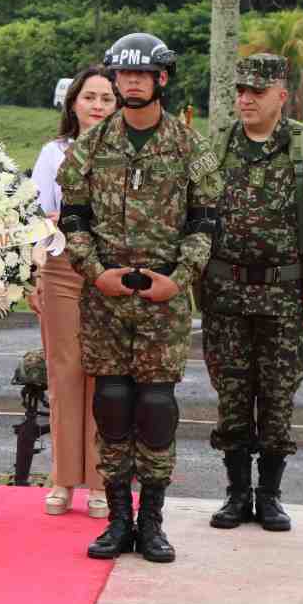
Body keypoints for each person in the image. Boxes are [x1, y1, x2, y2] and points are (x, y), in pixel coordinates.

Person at [56, 32, 222, 564]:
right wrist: (94, 270)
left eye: (141, 74)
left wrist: (181, 276)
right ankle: (117, 522)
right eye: (123, 74)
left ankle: (152, 522)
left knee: (154, 408)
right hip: (104, 297)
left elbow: (206, 222)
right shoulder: (93, 144)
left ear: (161, 79)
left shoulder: (190, 146)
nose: (130, 82)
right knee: (112, 405)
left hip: (163, 298)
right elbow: (73, 218)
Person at [199, 53, 303, 537]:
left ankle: (268, 496)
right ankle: (234, 494)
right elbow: (190, 212)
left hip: (286, 301)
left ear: (281, 96)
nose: (245, 99)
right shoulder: (216, 149)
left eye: (256, 92)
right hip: (226, 297)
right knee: (231, 397)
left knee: (277, 400)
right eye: (240, 91)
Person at [29, 64, 116, 519]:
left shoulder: (127, 153)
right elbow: (39, 216)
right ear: (74, 103)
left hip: (112, 273)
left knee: (105, 376)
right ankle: (63, 479)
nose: (98, 106)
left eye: (106, 99)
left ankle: (101, 482)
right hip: (62, 269)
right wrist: (35, 274)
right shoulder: (53, 152)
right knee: (64, 374)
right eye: (90, 98)